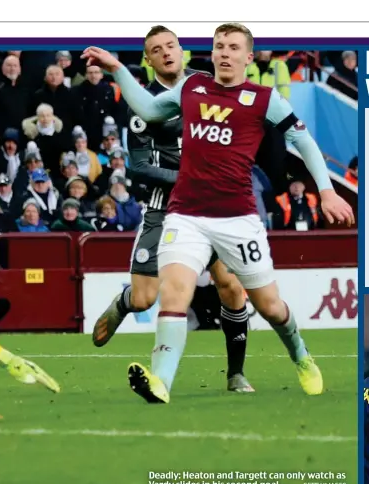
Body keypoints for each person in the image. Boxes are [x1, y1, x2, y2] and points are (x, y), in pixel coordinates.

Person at [82, 22, 354, 404]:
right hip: (185, 215)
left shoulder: (264, 98)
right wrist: (117, 68)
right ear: (210, 54)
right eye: (218, 46)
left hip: (238, 219)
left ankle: (301, 354)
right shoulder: (192, 88)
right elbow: (145, 107)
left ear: (247, 56)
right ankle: (161, 383)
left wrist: (326, 191)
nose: (224, 53)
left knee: (270, 307)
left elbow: (303, 141)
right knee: (174, 295)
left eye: (232, 47)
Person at [92, 25, 253, 393]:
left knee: (230, 286)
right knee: (147, 297)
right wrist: (189, 175)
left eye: (171, 46)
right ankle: (124, 303)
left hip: (212, 207)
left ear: (182, 50)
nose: (166, 53)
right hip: (165, 208)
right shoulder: (142, 105)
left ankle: (236, 374)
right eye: (156, 50)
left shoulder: (210, 86)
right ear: (148, 61)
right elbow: (139, 166)